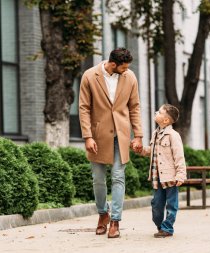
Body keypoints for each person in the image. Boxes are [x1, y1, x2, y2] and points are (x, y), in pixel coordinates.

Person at [79, 48, 143, 238]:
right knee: (98, 179)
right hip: (98, 135)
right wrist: (87, 136)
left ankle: (115, 221)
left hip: (121, 135)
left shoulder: (130, 77)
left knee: (118, 176)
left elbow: (135, 107)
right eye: (124, 67)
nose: (127, 70)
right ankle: (102, 214)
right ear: (113, 64)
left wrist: (138, 135)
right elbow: (83, 108)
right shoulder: (90, 76)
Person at [139, 104, 186, 238]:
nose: (156, 113)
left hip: (170, 177)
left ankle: (167, 228)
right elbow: (153, 152)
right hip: (157, 176)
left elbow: (179, 156)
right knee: (156, 204)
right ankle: (160, 225)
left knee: (171, 204)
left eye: (159, 112)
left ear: (166, 120)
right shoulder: (155, 133)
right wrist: (141, 150)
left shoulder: (173, 135)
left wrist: (180, 175)